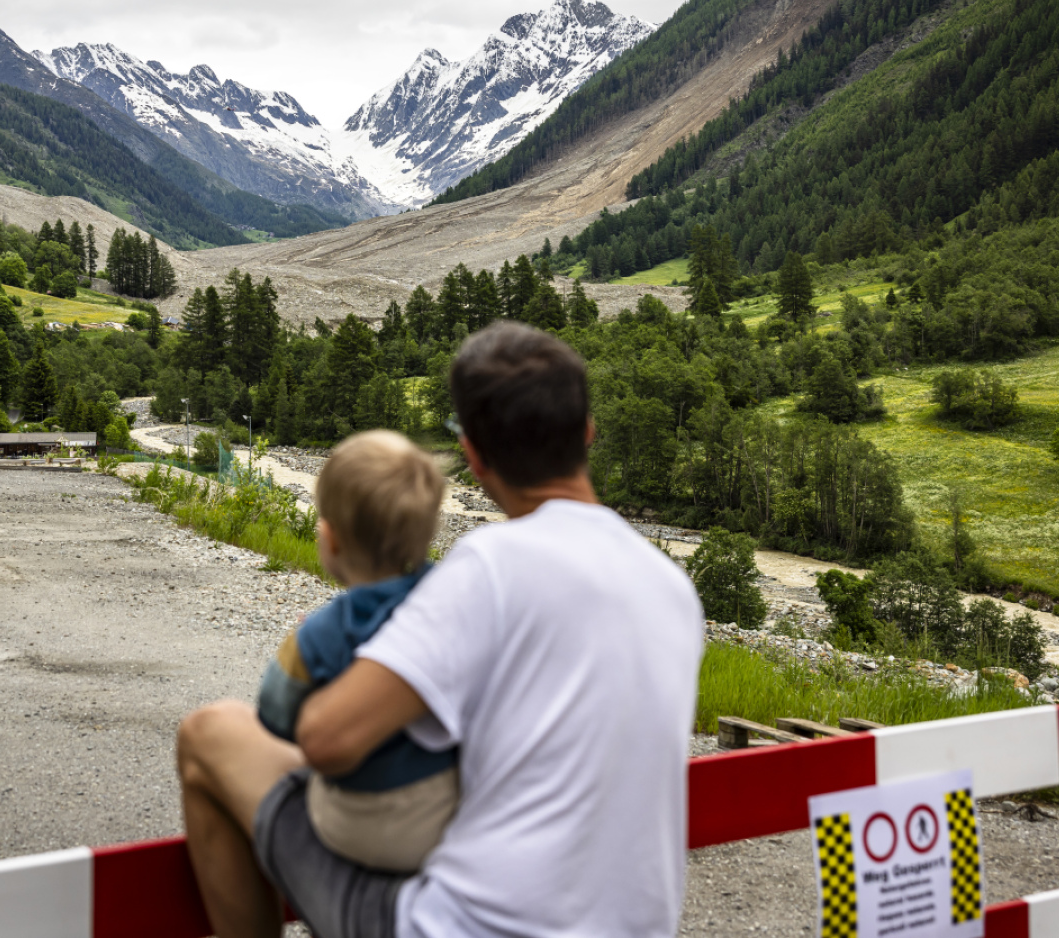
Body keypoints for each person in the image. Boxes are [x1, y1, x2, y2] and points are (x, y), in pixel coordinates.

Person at [176, 321, 704, 938]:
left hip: (464, 928)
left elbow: (327, 738)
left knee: (210, 733)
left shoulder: (492, 565)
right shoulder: (672, 588)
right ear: (588, 432)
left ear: (474, 456)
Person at [257, 429, 458, 873]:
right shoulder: (450, 602)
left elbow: (273, 712)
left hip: (362, 824)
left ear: (331, 539)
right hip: (450, 812)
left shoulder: (324, 630)